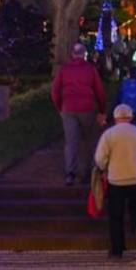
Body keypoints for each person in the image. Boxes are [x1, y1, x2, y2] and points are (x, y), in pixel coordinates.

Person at [94, 104, 136, 258]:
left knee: (116, 216)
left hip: (116, 180)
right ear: (131, 117)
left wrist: (102, 169)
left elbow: (100, 159)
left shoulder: (108, 135)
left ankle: (117, 250)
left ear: (115, 118)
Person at [51, 41, 108, 186]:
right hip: (87, 108)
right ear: (84, 54)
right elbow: (99, 91)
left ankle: (70, 172)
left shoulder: (64, 70)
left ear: (72, 54)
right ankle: (87, 171)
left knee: (71, 142)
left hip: (68, 108)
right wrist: (102, 110)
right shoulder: (90, 69)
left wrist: (60, 107)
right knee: (88, 141)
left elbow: (55, 91)